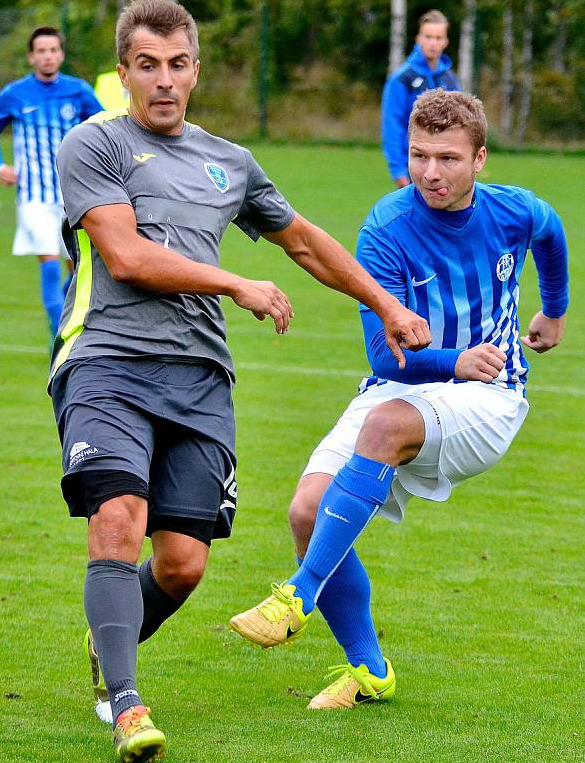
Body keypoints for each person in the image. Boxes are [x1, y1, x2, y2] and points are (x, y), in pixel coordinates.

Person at [50, 0, 430, 763]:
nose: (163, 81)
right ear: (122, 73)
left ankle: (110, 640)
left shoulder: (230, 161)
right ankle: (126, 704)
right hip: (106, 359)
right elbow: (124, 256)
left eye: (177, 65)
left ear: (196, 70)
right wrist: (233, 284)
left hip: (199, 379)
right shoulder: (94, 144)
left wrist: (385, 303)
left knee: (183, 565)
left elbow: (304, 241)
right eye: (146, 66)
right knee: (119, 514)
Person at [230, 89, 569, 711]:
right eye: (419, 156)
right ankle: (370, 671)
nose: (431, 173)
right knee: (308, 511)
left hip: (492, 396)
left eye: (447, 158)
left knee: (384, 427)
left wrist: (554, 308)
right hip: (407, 382)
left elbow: (551, 234)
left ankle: (299, 595)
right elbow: (384, 358)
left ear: (480, 159)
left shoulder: (515, 211)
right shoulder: (386, 226)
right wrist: (451, 359)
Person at [0, 27, 103, 338]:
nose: (47, 56)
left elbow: (105, 127)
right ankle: (58, 335)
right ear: (31, 56)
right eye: (41, 51)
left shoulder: (78, 91)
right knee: (49, 263)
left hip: (73, 194)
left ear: (61, 55)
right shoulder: (14, 94)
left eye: (53, 50)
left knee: (77, 269)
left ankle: (67, 320)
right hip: (33, 196)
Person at [382, 10, 460, 188]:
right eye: (428, 36)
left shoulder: (449, 79)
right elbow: (392, 125)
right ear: (418, 39)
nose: (433, 43)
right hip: (414, 165)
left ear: (446, 42)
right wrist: (398, 170)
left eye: (438, 38)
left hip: (445, 167)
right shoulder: (402, 78)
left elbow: (460, 123)